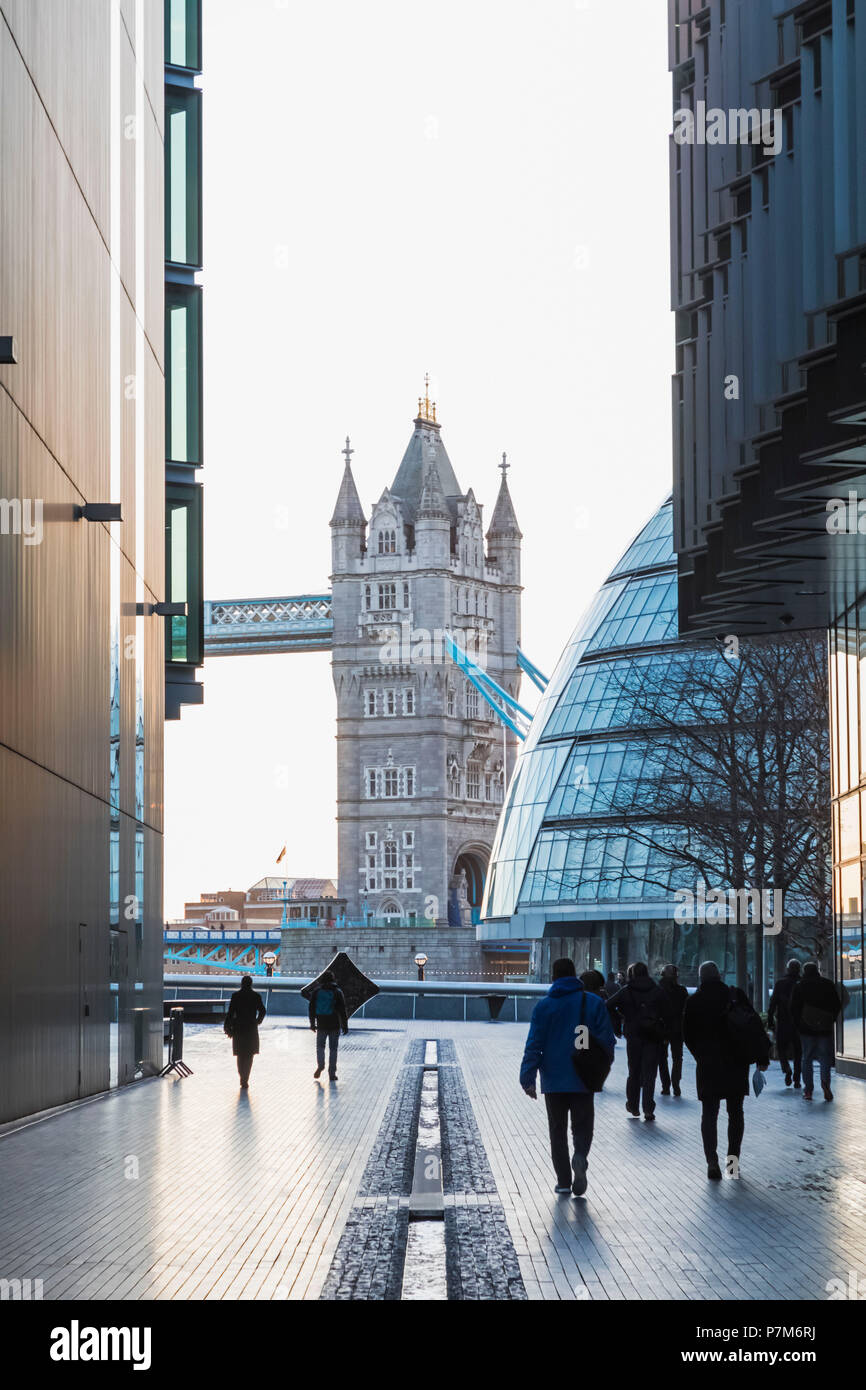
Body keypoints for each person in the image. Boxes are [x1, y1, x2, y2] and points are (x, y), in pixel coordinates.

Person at [520, 958, 616, 1198]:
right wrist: (602, 1067)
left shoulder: (544, 1007)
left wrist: (527, 1077)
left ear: (553, 977)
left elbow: (534, 1044)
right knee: (583, 1125)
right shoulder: (593, 1002)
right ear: (575, 975)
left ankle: (563, 1181)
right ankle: (580, 1156)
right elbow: (607, 1040)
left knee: (557, 1129)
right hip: (584, 1077)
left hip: (553, 1078)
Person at [683, 961, 770, 1179]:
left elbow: (688, 1035)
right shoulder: (735, 995)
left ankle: (712, 1161)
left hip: (708, 1064)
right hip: (736, 1062)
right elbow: (754, 1027)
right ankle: (732, 1163)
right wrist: (761, 1057)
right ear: (720, 975)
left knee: (709, 1114)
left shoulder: (694, 1001)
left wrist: (700, 1055)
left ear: (701, 978)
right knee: (736, 1113)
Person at [606, 962, 668, 1121]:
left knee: (634, 1071)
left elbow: (608, 1005)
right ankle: (648, 1108)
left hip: (633, 1034)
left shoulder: (626, 991)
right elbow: (668, 1012)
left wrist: (621, 1017)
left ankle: (633, 1105)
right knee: (650, 1073)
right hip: (653, 1035)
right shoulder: (657, 991)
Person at [791, 962, 841, 1102]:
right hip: (824, 1028)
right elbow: (836, 1004)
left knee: (806, 1058)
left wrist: (799, 1025)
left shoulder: (800, 986)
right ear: (817, 971)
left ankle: (808, 1090)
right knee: (825, 1058)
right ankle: (825, 1083)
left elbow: (793, 1008)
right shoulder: (828, 984)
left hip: (806, 1029)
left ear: (804, 971)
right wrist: (830, 1020)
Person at [224, 975, 267, 1089]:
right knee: (249, 1055)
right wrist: (258, 1021)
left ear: (242, 984)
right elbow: (262, 1010)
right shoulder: (256, 996)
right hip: (251, 1028)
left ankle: (241, 1076)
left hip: (238, 1028)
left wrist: (227, 1027)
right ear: (251, 984)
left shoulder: (236, 996)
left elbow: (230, 1012)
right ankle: (245, 1078)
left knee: (240, 1055)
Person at [767, 959, 802, 1088]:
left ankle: (786, 1068)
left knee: (781, 1048)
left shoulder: (780, 983)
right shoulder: (801, 983)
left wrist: (770, 1018)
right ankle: (797, 1078)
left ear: (787, 969)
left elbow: (773, 1002)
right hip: (798, 1023)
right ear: (799, 969)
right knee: (798, 1051)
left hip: (783, 1021)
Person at [308, 970, 349, 1081]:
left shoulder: (316, 992)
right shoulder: (337, 992)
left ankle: (320, 1066)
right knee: (333, 1049)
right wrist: (344, 1025)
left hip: (321, 1023)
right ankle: (332, 1073)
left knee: (320, 1047)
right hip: (334, 1024)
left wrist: (312, 1023)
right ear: (333, 979)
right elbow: (342, 1010)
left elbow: (311, 1008)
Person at [658, 963, 688, 1097]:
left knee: (662, 1058)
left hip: (662, 1028)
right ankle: (676, 1084)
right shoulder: (682, 991)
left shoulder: (658, 990)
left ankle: (666, 1085)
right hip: (677, 1029)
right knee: (677, 1057)